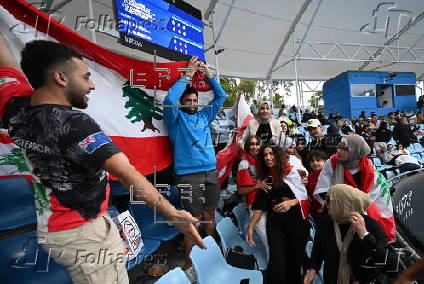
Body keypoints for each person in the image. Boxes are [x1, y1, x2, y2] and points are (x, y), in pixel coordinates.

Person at [0, 38, 205, 283]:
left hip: (58, 226)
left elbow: (8, 64)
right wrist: (173, 214)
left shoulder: (14, 105)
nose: (92, 85)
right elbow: (127, 173)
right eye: (86, 77)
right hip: (84, 233)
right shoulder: (74, 124)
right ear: (61, 78)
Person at [163, 56, 226, 270]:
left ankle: (214, 255)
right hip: (189, 176)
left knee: (209, 215)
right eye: (187, 101)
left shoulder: (204, 115)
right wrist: (188, 74)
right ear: (182, 102)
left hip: (211, 173)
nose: (191, 104)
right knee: (193, 220)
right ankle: (189, 263)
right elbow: (170, 98)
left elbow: (221, 96)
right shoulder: (175, 118)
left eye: (193, 101)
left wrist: (208, 75)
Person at [304, 184, 396, 284]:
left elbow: (391, 262)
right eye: (326, 199)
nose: (326, 204)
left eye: (330, 200)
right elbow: (318, 248)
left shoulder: (369, 225)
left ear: (344, 203)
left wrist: (364, 234)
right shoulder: (326, 223)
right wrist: (313, 269)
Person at [246, 145, 310, 283]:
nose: (268, 157)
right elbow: (261, 203)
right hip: (275, 223)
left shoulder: (292, 173)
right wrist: (251, 226)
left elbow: (304, 199)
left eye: (271, 154)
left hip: (296, 223)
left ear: (278, 155)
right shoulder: (266, 178)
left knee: (294, 262)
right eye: (265, 155)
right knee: (277, 261)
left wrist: (291, 202)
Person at [314, 134, 396, 241]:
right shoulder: (332, 163)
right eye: (339, 147)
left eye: (345, 149)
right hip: (338, 213)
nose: (339, 150)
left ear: (356, 151)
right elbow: (323, 188)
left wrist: (356, 205)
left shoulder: (370, 169)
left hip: (363, 214)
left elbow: (374, 196)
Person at [236, 135, 269, 258]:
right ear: (247, 147)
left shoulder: (266, 160)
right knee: (268, 240)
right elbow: (240, 191)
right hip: (255, 205)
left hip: (269, 203)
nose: (255, 147)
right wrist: (257, 186)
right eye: (252, 144)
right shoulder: (244, 164)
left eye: (257, 144)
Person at [306, 150, 328, 223]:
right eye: (312, 161)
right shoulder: (310, 176)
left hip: (328, 212)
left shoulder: (330, 175)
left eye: (318, 160)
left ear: (324, 161)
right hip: (315, 212)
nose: (315, 163)